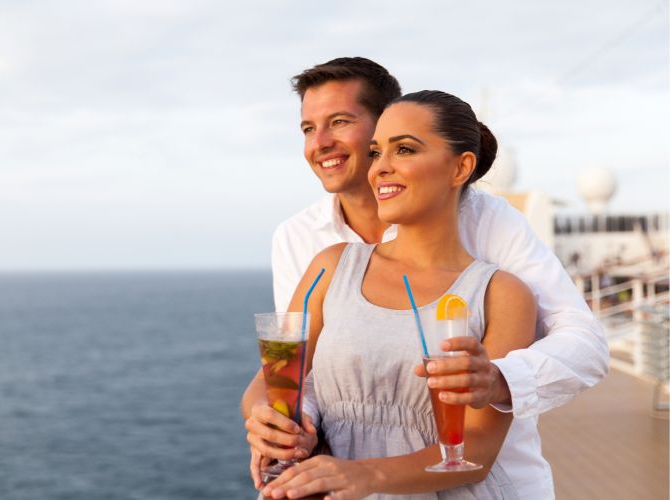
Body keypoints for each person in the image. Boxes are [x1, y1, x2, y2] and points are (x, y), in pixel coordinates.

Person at [241, 58, 607, 496]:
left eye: (339, 121)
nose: (320, 142)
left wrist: (498, 379)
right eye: (307, 128)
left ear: (460, 168)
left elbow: (579, 342)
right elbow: (289, 374)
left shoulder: (499, 268)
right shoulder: (317, 253)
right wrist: (272, 422)